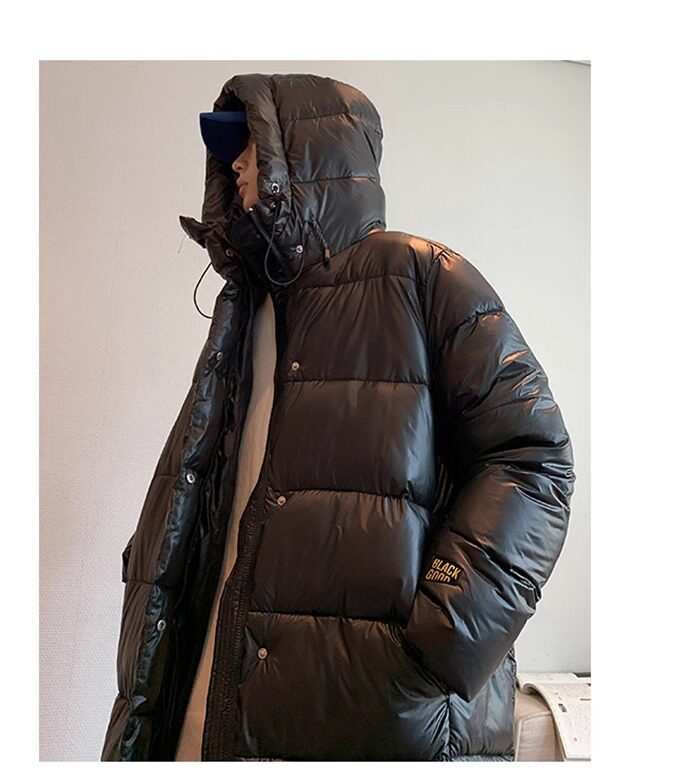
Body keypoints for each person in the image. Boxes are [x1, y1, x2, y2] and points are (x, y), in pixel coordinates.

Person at [102, 72, 575, 762]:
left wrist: (447, 631)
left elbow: (533, 456)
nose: (234, 166)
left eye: (251, 146)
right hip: (206, 702)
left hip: (370, 711)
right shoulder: (245, 310)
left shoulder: (419, 277)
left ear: (305, 155)